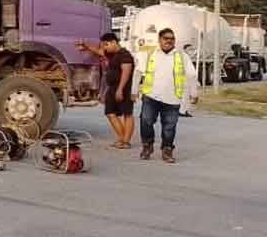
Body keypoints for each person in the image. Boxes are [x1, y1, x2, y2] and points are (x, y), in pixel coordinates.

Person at [132, 27, 198, 163]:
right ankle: (147, 146)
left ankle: (167, 150)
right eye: (166, 38)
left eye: (172, 38)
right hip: (151, 96)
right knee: (146, 121)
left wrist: (194, 93)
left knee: (169, 127)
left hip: (172, 98)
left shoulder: (182, 56)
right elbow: (138, 72)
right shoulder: (150, 54)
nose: (169, 41)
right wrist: (134, 91)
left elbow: (191, 75)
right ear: (159, 40)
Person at [76, 33, 136, 148]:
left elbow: (126, 73)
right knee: (110, 113)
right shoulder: (112, 54)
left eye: (106, 45)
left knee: (127, 114)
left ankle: (126, 141)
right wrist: (86, 46)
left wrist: (120, 89)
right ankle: (122, 138)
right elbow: (99, 52)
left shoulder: (125, 55)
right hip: (112, 87)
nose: (104, 48)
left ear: (114, 42)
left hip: (124, 88)